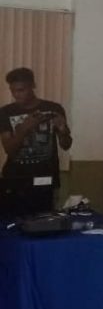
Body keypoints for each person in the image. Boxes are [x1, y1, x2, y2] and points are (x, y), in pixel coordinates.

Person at [0, 67, 72, 214]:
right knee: (12, 223)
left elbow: (66, 145)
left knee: (44, 221)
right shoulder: (6, 112)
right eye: (13, 91)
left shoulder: (53, 108)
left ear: (32, 86)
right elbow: (9, 149)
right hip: (15, 180)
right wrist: (24, 129)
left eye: (21, 90)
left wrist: (63, 129)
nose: (16, 95)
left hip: (46, 178)